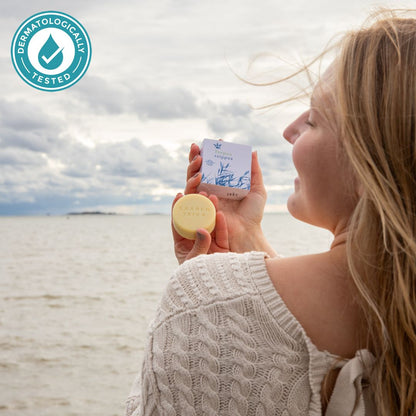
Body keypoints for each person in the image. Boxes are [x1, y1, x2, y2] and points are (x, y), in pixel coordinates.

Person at [126, 9, 416, 416]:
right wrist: (247, 241)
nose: (289, 131)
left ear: (371, 165)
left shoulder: (204, 300)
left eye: (313, 120)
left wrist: (209, 289)